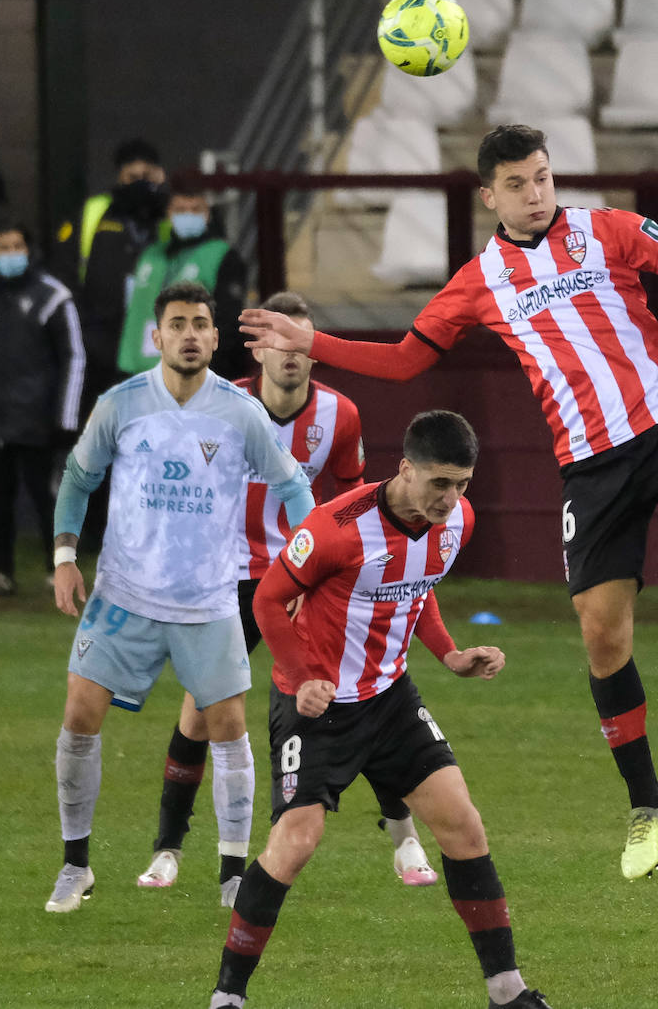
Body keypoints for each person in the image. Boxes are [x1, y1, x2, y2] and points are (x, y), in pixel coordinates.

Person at [240, 123, 658, 881]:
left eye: (542, 176)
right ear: (489, 197)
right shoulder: (480, 280)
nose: (535, 192)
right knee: (601, 634)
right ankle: (649, 806)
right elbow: (407, 360)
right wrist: (316, 344)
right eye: (517, 184)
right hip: (590, 467)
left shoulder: (607, 230)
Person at [208, 410, 551, 1009]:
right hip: (315, 708)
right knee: (297, 841)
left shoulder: (455, 524)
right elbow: (268, 600)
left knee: (464, 826)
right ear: (405, 468)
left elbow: (419, 586)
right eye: (439, 483)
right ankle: (227, 997)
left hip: (390, 700)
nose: (451, 498)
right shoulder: (337, 527)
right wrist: (303, 676)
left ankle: (507, 991)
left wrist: (449, 654)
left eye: (462, 484)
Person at [136, 291, 437, 894]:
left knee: (361, 694)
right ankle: (168, 848)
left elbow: (357, 504)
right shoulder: (219, 408)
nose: (291, 352)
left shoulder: (340, 415)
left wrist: (329, 572)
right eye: (279, 340)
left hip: (306, 579)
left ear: (315, 353)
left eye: (302, 341)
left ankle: (405, 839)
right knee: (201, 709)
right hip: (227, 579)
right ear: (257, 349)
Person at [46, 282, 314, 914]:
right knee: (79, 716)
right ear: (157, 335)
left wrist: (303, 571)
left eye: (200, 323)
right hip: (123, 596)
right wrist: (64, 558)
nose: (190, 334)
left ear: (216, 339)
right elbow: (78, 479)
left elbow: (295, 487)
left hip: (209, 603)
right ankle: (75, 866)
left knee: (227, 730)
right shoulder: (121, 404)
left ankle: (230, 875)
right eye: (177, 323)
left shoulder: (241, 413)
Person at [0, 217, 84, 594]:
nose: (11, 254)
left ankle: (57, 569)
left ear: (29, 251)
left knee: (43, 494)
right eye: (4, 248)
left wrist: (65, 417)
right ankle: (3, 574)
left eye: (17, 247)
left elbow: (74, 357)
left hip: (37, 418)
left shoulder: (53, 296)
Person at [51, 137, 168, 408]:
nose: (140, 182)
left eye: (147, 176)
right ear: (119, 176)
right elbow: (64, 272)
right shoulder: (94, 212)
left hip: (153, 339)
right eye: (132, 176)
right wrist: (85, 328)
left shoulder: (167, 214)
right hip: (99, 341)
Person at [118, 178, 249, 380]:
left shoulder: (221, 257)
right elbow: (130, 312)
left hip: (190, 377)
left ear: (207, 214)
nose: (188, 215)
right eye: (180, 209)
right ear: (168, 213)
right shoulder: (150, 255)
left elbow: (229, 323)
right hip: (139, 373)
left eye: (196, 209)